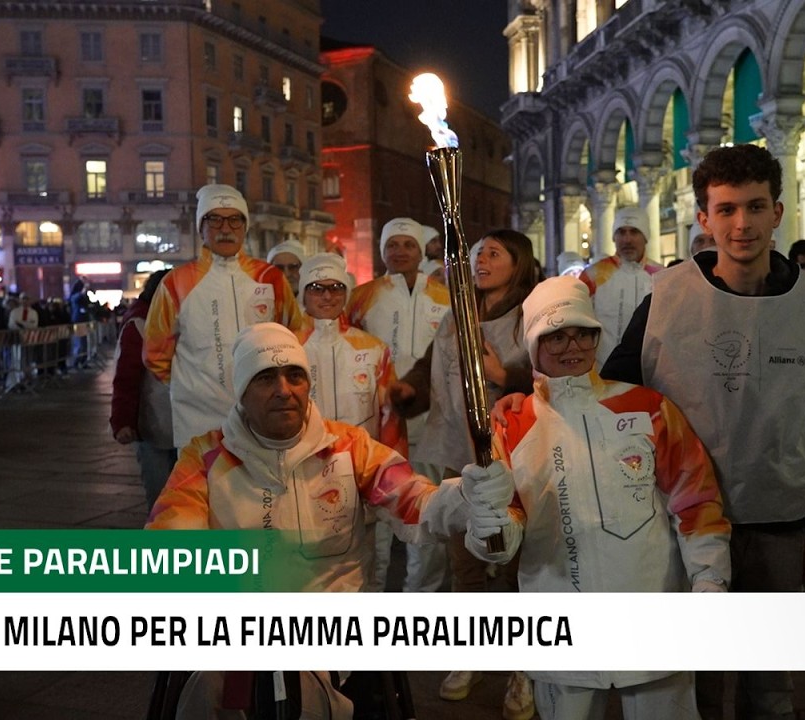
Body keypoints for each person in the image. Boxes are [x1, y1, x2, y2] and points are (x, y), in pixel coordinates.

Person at [146, 323, 519, 719]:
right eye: (265, 378)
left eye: (295, 376)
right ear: (241, 391)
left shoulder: (349, 447)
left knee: (301, 685)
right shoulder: (204, 457)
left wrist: (464, 497)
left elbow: (414, 500)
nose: (284, 390)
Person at [601, 144, 805, 720]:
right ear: (704, 218)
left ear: (778, 212)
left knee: (771, 680)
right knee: (699, 679)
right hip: (686, 519)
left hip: (780, 516)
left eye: (756, 207)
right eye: (727, 209)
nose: (743, 224)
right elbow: (616, 396)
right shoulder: (666, 297)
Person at [486, 276, 731, 719]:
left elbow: (695, 500)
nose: (571, 346)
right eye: (554, 336)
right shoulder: (513, 423)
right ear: (533, 343)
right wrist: (489, 528)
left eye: (582, 332)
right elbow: (505, 525)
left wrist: (709, 578)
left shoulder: (646, 406)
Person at [393, 229, 541, 719]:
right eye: (477, 253)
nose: (482, 260)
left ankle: (523, 668)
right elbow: (429, 366)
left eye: (494, 253)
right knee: (465, 565)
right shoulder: (458, 315)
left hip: (516, 459)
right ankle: (472, 651)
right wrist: (406, 391)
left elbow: (556, 371)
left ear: (518, 263)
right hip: (458, 453)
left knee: (518, 565)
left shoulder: (529, 315)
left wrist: (508, 377)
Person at [144, 184, 301, 449]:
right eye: (214, 219)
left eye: (234, 220)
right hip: (199, 421)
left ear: (244, 226)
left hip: (261, 417)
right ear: (201, 228)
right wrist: (193, 387)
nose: (225, 229)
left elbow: (296, 335)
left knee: (261, 490)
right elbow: (155, 352)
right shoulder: (177, 282)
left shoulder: (269, 277)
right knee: (202, 490)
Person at [346, 217, 452, 595]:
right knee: (374, 506)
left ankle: (420, 596)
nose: (400, 252)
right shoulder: (361, 296)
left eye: (408, 244)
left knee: (425, 504)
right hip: (375, 418)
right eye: (392, 245)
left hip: (430, 416)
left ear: (421, 250)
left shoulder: (445, 297)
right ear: (382, 251)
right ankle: (370, 591)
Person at [294, 253, 404, 454]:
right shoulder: (289, 347)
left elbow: (391, 417)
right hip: (305, 461)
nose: (327, 296)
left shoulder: (374, 349)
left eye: (336, 288)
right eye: (316, 288)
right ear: (303, 295)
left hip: (362, 461)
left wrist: (391, 470)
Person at [111, 269, 176, 511]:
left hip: (191, 425)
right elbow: (126, 377)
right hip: (154, 423)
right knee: (161, 501)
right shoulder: (139, 324)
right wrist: (122, 421)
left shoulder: (191, 321)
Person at [578, 206, 665, 365]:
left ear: (646, 236)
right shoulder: (593, 275)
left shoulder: (662, 277)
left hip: (648, 373)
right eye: (621, 232)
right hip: (603, 373)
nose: (627, 239)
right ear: (614, 237)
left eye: (634, 231)